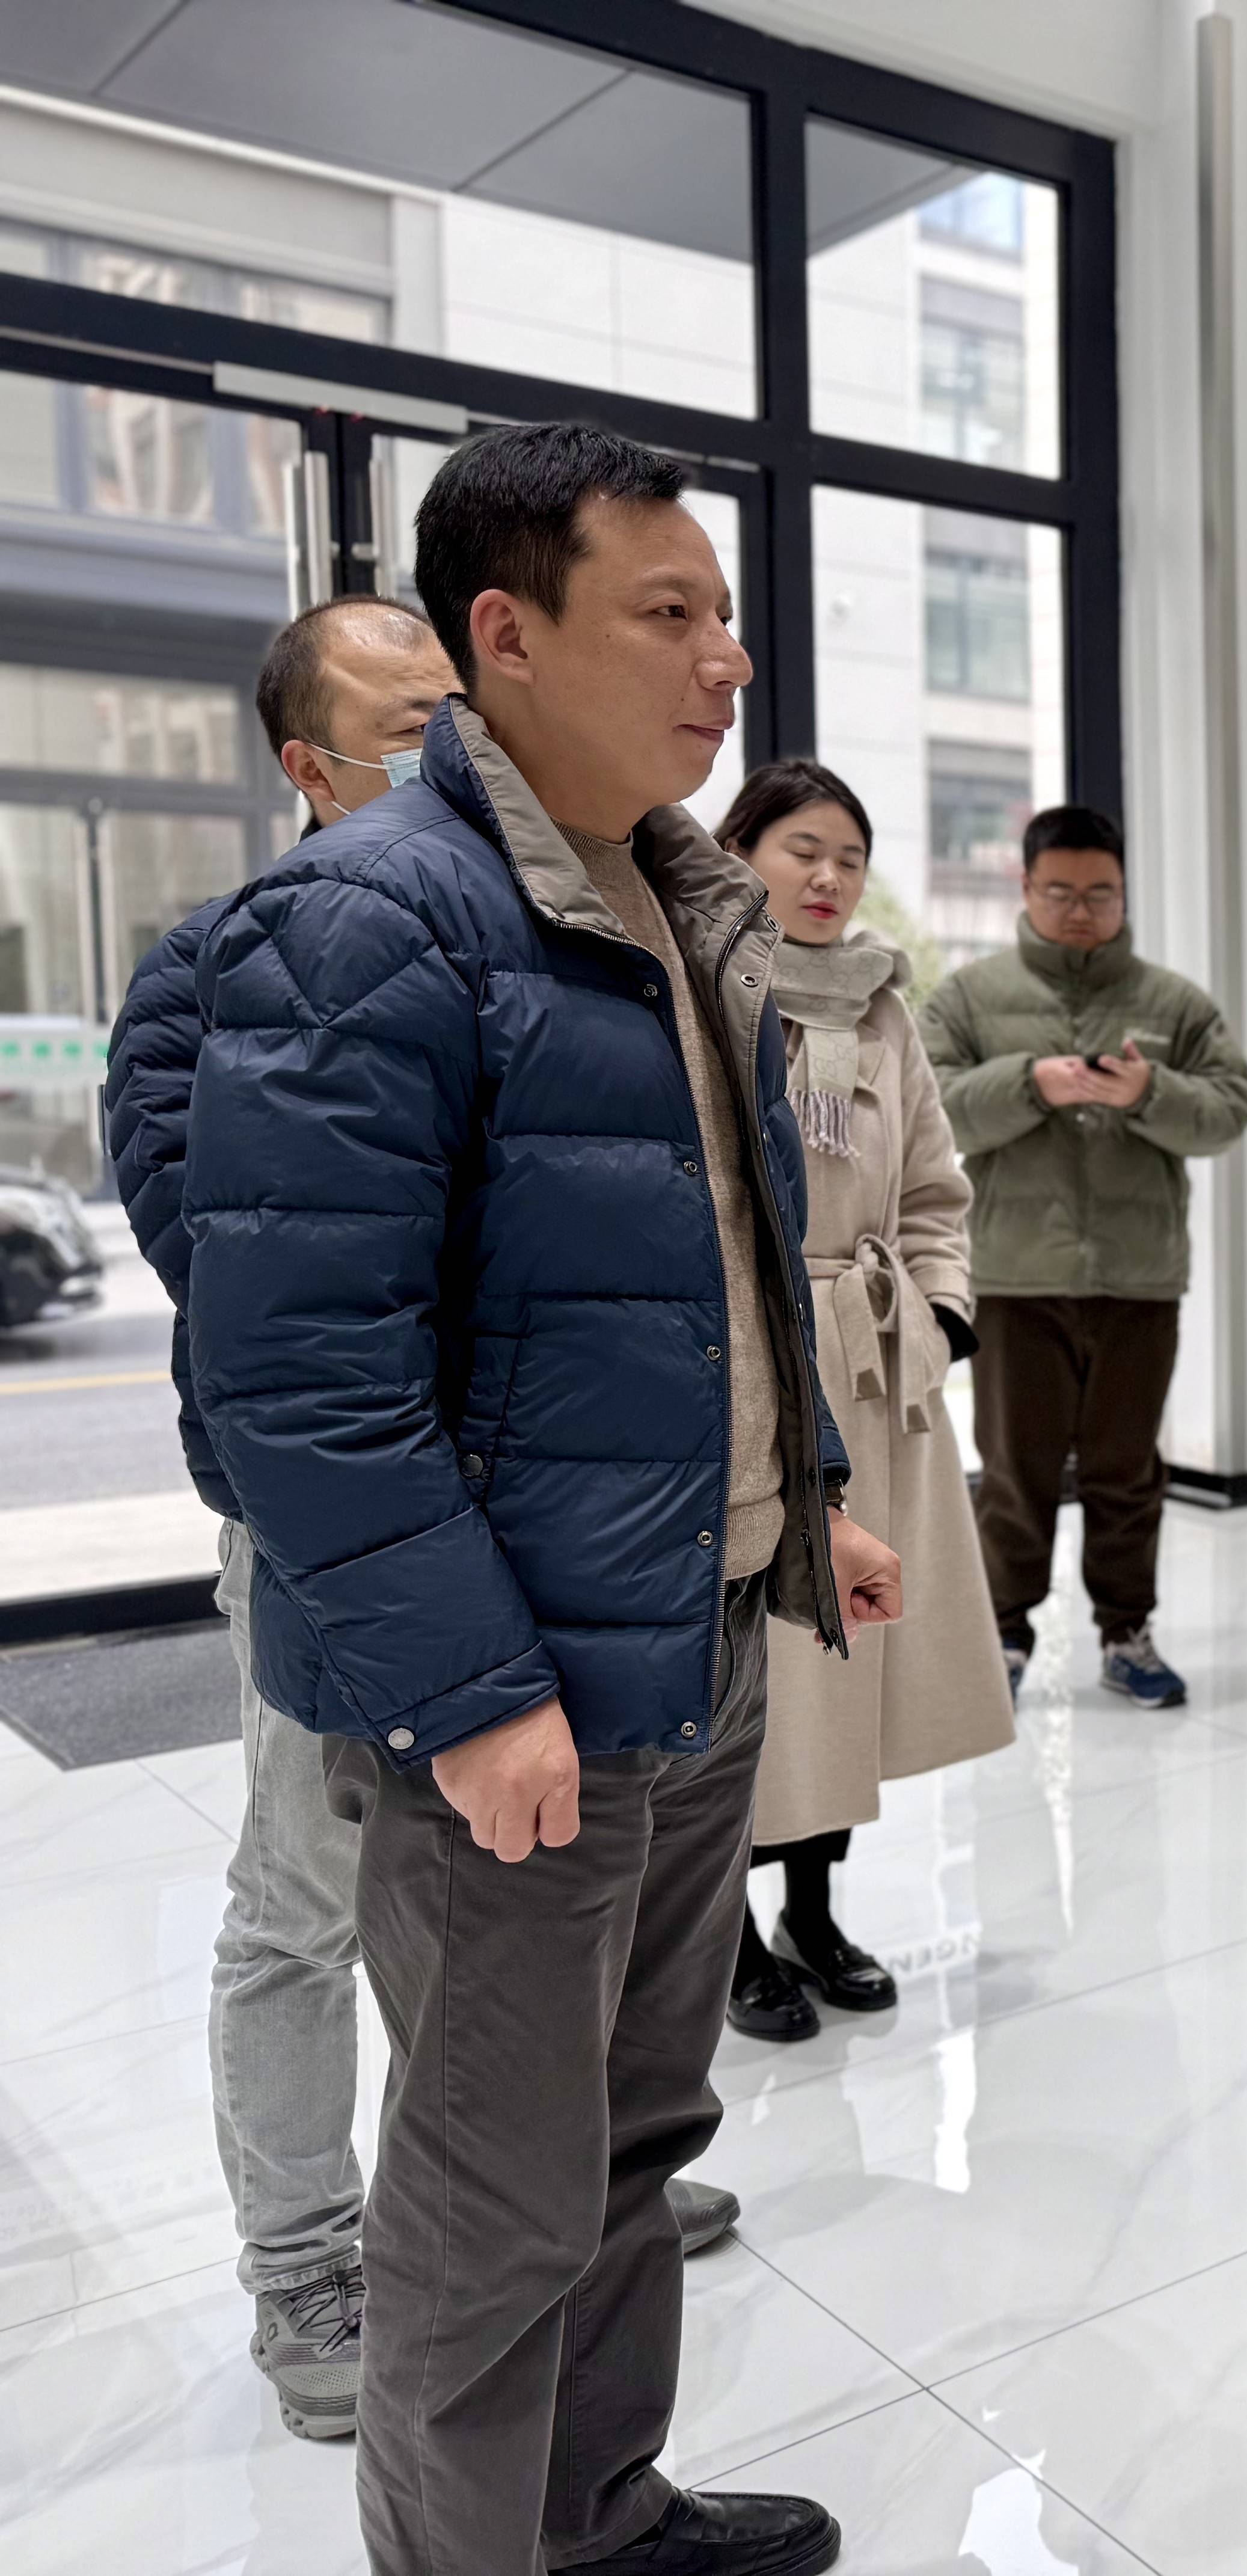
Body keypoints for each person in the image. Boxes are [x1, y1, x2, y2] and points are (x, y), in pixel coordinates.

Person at [182, 422, 906, 2576]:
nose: (725, 661)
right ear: (505, 636)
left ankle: (594, 2517)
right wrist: (478, 1684)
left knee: (634, 2134)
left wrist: (805, 1495)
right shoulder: (366, 921)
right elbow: (296, 1373)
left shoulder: (676, 900)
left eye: (727, 616)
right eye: (668, 614)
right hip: (524, 1692)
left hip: (697, 1629)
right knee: (491, 2202)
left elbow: (707, 1266)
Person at [102, 595, 741, 2453]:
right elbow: (268, 1295)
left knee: (532, 1902)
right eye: (403, 722)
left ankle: (549, 2189)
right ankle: (309, 2261)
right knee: (304, 1899)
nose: (452, 741)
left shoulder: (558, 926)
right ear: (307, 765)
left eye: (459, 705)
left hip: (551, 1526)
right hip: (349, 1535)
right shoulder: (228, 960)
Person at [711, 762, 1016, 2046]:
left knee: (852, 1655)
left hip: (880, 1368)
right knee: (756, 1667)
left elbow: (936, 1191)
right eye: (803, 850)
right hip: (750, 1367)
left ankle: (816, 1913)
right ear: (741, 854)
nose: (830, 877)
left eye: (850, 856)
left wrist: (938, 1315)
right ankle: (725, 1934)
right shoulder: (703, 985)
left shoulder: (886, 1008)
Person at [921, 806, 1247, 1706]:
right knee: (1014, 1474)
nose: (1080, 911)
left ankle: (1127, 1634)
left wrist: (1148, 1092)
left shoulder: (1175, 1003)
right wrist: (1031, 1082)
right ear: (1026, 888)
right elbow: (933, 1112)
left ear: (1123, 893)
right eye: (1061, 893)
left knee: (1127, 1472)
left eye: (1099, 894)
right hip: (1013, 1276)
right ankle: (1001, 1636)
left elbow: (1229, 1111)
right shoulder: (968, 998)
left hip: (1139, 1278)